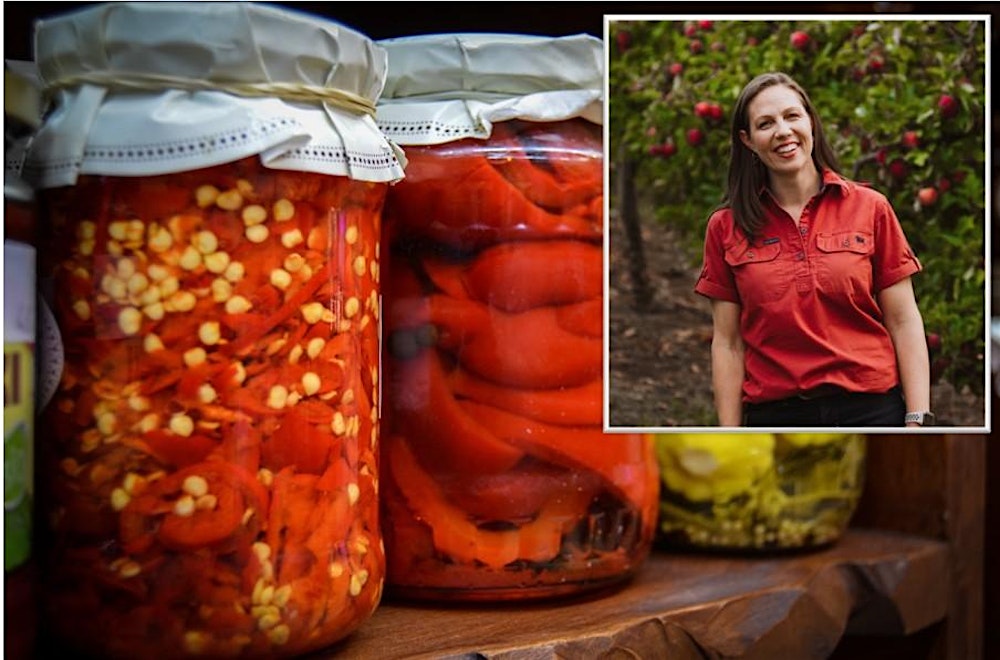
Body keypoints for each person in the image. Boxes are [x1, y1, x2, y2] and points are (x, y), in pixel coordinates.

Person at [694, 71, 932, 428]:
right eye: (766, 123)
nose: (783, 132)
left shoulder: (871, 208)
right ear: (748, 140)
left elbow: (903, 320)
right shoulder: (725, 227)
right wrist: (730, 432)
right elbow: (728, 344)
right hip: (776, 414)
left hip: (872, 409)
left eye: (792, 116)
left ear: (810, 123)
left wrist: (917, 418)